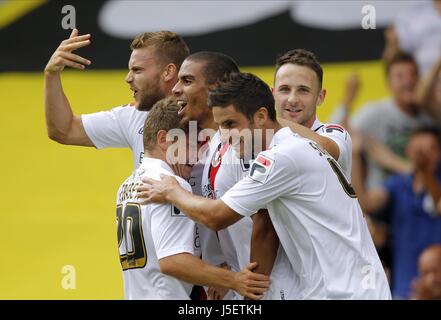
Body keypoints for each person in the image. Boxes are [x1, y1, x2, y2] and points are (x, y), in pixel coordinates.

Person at [138, 72, 392, 299]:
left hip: (346, 292)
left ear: (260, 116)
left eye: (230, 124)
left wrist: (173, 192)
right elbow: (263, 222)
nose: (225, 137)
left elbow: (217, 216)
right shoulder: (292, 147)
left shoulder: (281, 158)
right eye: (220, 127)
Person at [207, 49, 353, 299]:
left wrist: (266, 118)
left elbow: (328, 148)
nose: (293, 99)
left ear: (321, 97)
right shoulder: (239, 142)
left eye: (303, 90)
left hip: (319, 283)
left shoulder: (332, 133)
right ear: (273, 93)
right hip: (257, 282)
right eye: (285, 89)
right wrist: (221, 269)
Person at [117, 96, 270, 299]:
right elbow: (173, 261)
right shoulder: (170, 185)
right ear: (164, 140)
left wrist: (211, 275)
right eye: (193, 144)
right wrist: (234, 280)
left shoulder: (126, 185)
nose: (198, 156)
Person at [44, 29, 189, 168]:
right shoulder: (133, 115)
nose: (128, 78)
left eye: (137, 70)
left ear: (168, 72)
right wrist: (52, 75)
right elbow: (65, 130)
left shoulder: (207, 115)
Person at [355, 127, 441, 299]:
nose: (424, 155)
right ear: (408, 151)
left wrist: (423, 171)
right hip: (402, 290)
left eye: (430, 149)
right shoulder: (398, 183)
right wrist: (355, 155)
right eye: (418, 149)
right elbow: (365, 203)